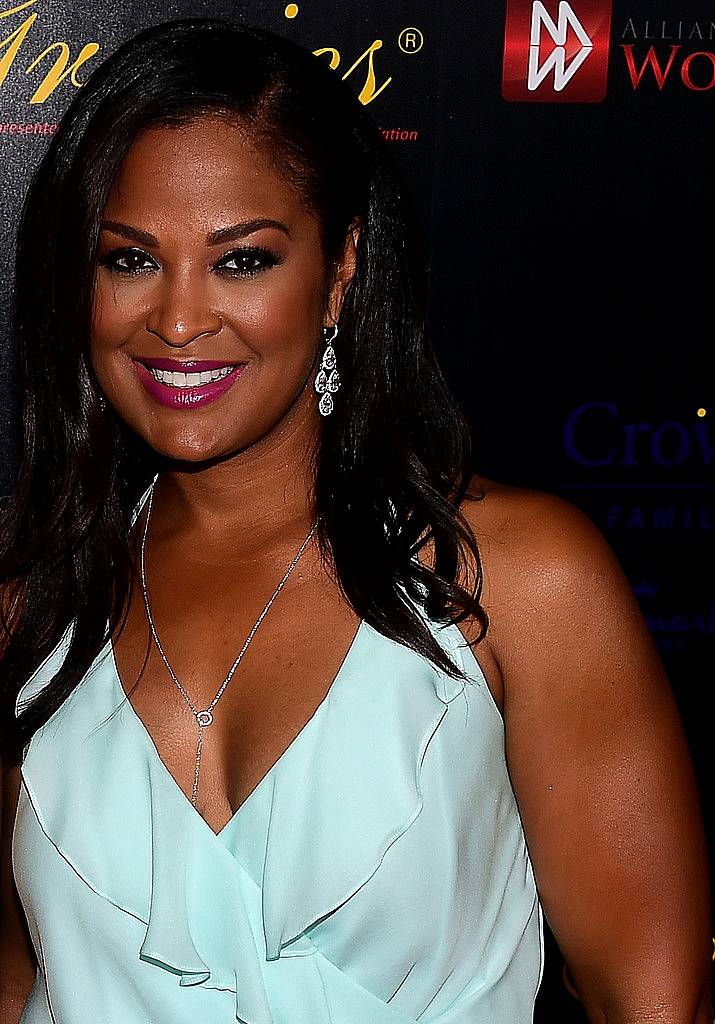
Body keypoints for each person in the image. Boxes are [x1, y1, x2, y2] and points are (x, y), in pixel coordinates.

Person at [0, 15, 710, 1024]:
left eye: (241, 260)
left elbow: (655, 1001)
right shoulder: (30, 598)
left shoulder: (514, 579)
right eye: (128, 259)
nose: (178, 318)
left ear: (340, 269)